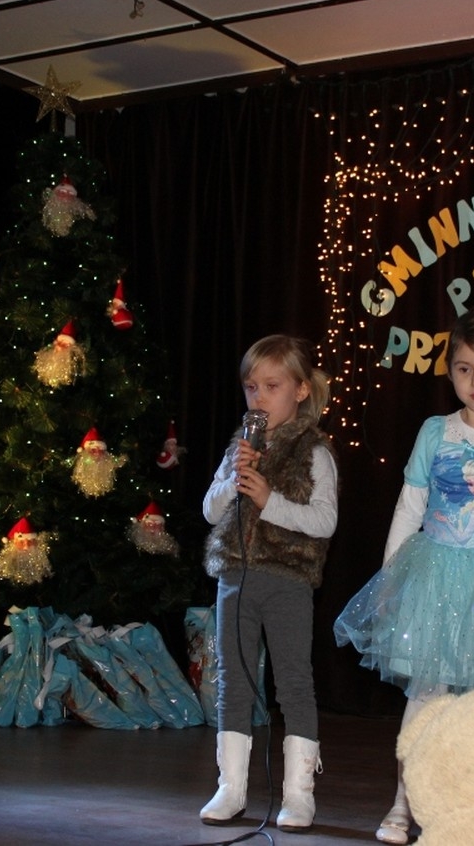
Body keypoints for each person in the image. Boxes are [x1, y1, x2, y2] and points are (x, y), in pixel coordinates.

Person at [334, 305, 474, 845]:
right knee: (426, 695)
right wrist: (390, 580)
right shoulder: (435, 432)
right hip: (433, 576)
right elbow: (409, 507)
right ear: (450, 371)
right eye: (464, 368)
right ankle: (404, 803)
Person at [199, 334, 339, 832]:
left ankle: (299, 795)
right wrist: (231, 480)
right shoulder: (240, 447)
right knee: (232, 681)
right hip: (235, 579)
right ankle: (231, 787)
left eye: (271, 386)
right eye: (251, 387)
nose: (258, 397)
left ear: (300, 390)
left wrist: (268, 500)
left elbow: (324, 521)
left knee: (293, 683)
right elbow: (210, 511)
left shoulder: (314, 451)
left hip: (287, 581)